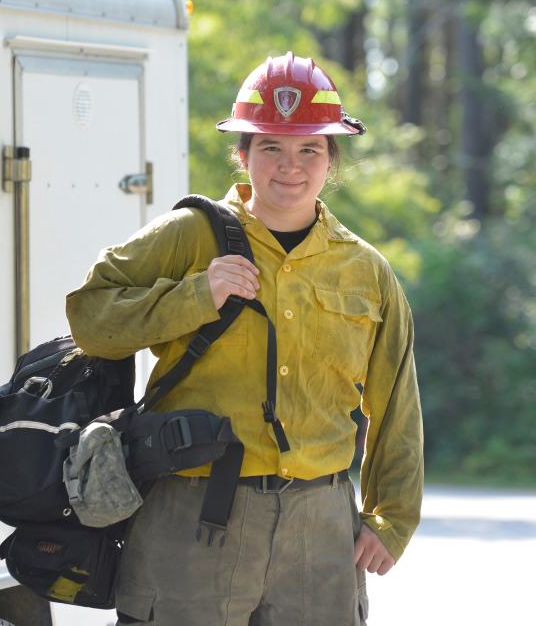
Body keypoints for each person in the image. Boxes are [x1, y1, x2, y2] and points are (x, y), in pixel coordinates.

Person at [65, 52, 423, 626]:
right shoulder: (189, 236)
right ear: (242, 154)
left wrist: (391, 519)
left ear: (332, 160)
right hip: (193, 516)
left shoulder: (365, 270)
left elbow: (396, 402)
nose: (290, 167)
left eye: (309, 149)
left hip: (321, 528)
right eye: (271, 149)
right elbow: (89, 319)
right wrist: (194, 295)